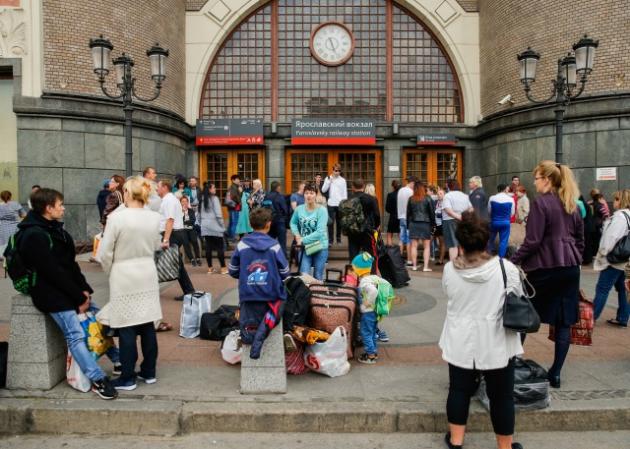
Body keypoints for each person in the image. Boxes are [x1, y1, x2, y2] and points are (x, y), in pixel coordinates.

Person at [19, 188, 119, 399]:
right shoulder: (33, 235)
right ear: (48, 208)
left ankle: (119, 361)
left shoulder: (56, 230)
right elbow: (51, 272)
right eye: (60, 205)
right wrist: (78, 297)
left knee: (99, 323)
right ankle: (98, 379)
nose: (63, 208)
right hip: (50, 294)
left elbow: (70, 266)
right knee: (75, 334)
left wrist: (85, 291)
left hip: (69, 290)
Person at [440, 211, 524, 449]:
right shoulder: (506, 268)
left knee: (459, 390)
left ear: (461, 242)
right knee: (502, 396)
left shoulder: (450, 270)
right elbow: (516, 296)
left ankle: (456, 441)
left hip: (460, 338)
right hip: (497, 339)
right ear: (487, 240)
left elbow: (448, 292)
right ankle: (505, 446)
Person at [511, 161, 584, 389]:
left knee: (524, 314)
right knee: (563, 322)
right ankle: (556, 373)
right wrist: (574, 257)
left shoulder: (541, 203)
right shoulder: (571, 203)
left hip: (544, 267)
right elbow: (580, 240)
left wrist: (513, 260)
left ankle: (513, 363)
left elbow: (533, 241)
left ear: (548, 179)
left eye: (537, 178)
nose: (534, 182)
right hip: (569, 268)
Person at [96, 177, 162, 391]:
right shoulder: (154, 217)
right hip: (147, 272)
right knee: (147, 323)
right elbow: (156, 245)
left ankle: (127, 376)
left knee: (126, 327)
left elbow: (105, 253)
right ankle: (149, 371)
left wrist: (110, 270)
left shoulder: (117, 218)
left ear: (128, 192)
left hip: (123, 273)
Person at [228, 208, 290, 358]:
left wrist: (245, 275)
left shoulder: (242, 244)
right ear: (268, 224)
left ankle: (252, 339)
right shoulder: (274, 246)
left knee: (248, 327)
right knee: (284, 300)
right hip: (271, 296)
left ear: (250, 224)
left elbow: (232, 270)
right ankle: (265, 334)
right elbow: (285, 272)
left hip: (247, 296)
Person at [592, 189, 630, 327]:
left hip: (614, 260)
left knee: (602, 288)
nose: (613, 202)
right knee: (623, 289)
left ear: (621, 201)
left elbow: (611, 237)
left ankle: (592, 317)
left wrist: (603, 253)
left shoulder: (620, 217)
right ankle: (623, 318)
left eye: (616, 199)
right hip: (625, 260)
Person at [157, 179, 196, 301]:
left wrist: (166, 239)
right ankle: (189, 290)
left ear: (165, 187)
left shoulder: (169, 200)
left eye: (158, 186)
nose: (157, 189)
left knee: (175, 263)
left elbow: (170, 220)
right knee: (176, 263)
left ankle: (189, 291)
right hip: (174, 233)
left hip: (172, 234)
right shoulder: (169, 199)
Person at [352, 252, 392, 364]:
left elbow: (373, 291)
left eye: (354, 268)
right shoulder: (373, 277)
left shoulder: (364, 281)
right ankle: (373, 352)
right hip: (375, 311)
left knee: (365, 333)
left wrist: (365, 305)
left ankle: (370, 356)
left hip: (368, 312)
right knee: (372, 332)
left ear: (359, 269)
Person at [290, 183, 329, 280]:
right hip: (305, 247)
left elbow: (320, 232)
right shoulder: (299, 209)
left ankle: (317, 290)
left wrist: (302, 240)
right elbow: (293, 223)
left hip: (320, 246)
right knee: (304, 275)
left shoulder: (322, 210)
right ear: (303, 195)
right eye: (306, 193)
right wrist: (297, 235)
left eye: (311, 193)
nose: (309, 196)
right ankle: (305, 290)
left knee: (318, 276)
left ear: (316, 195)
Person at [347, 178, 381, 262]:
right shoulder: (371, 199)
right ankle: (370, 269)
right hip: (367, 230)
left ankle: (354, 269)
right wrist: (376, 226)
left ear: (353, 187)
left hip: (353, 230)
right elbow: (377, 214)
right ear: (364, 186)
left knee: (353, 254)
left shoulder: (349, 199)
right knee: (369, 254)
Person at [199, 182, 228, 275]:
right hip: (215, 225)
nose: (215, 189)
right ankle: (223, 268)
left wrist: (201, 224)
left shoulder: (202, 199)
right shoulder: (214, 199)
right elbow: (218, 215)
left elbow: (198, 214)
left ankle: (210, 268)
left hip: (205, 226)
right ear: (209, 189)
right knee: (220, 247)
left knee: (208, 247)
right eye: (214, 188)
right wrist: (222, 226)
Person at [407, 181, 435, 272]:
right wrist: (433, 225)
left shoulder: (411, 198)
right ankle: (425, 267)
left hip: (413, 223)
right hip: (425, 223)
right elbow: (432, 213)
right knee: (427, 246)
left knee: (414, 246)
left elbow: (408, 213)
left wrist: (408, 225)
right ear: (423, 188)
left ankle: (414, 266)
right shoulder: (428, 198)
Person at [442, 180, 473, 262]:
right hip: (463, 220)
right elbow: (471, 209)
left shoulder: (448, 196)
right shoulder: (465, 196)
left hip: (450, 221)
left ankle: (453, 265)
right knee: (462, 243)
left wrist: (458, 216)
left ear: (449, 187)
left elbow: (448, 210)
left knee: (453, 244)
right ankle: (464, 263)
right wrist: (464, 217)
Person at [322, 164, 347, 245]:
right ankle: (330, 240)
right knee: (330, 223)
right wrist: (329, 181)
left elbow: (344, 193)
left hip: (340, 204)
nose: (337, 172)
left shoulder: (343, 180)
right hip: (331, 203)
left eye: (339, 171)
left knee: (339, 223)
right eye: (336, 170)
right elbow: (323, 190)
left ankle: (338, 239)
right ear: (333, 170)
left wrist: (344, 204)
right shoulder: (328, 178)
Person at [488, 184, 515, 257]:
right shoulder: (511, 199)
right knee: (503, 241)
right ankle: (501, 259)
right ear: (505, 189)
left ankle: (488, 256)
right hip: (505, 222)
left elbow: (489, 211)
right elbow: (512, 213)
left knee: (490, 239)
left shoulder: (492, 198)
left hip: (494, 222)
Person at [266, 181, 290, 256]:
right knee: (282, 242)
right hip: (279, 221)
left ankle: (269, 255)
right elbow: (285, 209)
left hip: (269, 221)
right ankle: (282, 257)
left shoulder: (266, 196)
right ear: (278, 188)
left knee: (269, 240)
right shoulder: (279, 197)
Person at [0, 190, 26, 255]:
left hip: (3, 229)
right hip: (15, 228)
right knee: (15, 245)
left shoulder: (0, 206)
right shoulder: (15, 204)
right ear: (10, 196)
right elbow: (24, 214)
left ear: (1, 198)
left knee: (4, 247)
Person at [397, 176, 415, 265]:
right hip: (408, 218)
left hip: (401, 217)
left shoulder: (400, 190)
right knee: (409, 240)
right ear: (412, 183)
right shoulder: (411, 192)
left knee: (401, 239)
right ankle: (409, 260)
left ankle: (399, 259)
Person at [180, 196, 201, 266]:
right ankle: (191, 259)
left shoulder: (191, 211)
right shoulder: (179, 211)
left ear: (188, 202)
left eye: (186, 201)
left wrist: (186, 221)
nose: (184, 203)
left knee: (194, 241)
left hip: (191, 229)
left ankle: (197, 258)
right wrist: (183, 213)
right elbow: (180, 221)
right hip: (183, 230)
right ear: (180, 203)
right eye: (183, 201)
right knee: (185, 243)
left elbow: (193, 220)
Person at [225, 174, 242, 240]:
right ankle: (232, 237)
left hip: (231, 207)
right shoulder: (234, 187)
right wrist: (240, 192)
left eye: (239, 179)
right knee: (234, 222)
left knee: (231, 222)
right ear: (233, 180)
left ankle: (229, 235)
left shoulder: (233, 187)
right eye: (237, 179)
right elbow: (235, 197)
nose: (239, 180)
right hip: (234, 207)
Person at [385, 180, 401, 246]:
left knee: (389, 232)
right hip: (401, 216)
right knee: (400, 232)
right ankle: (402, 248)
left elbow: (387, 208)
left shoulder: (390, 195)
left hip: (393, 216)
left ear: (393, 186)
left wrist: (392, 211)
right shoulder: (402, 195)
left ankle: (389, 247)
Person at [434, 187, 447, 265]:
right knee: (440, 242)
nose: (439, 195)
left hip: (443, 224)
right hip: (437, 224)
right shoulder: (437, 202)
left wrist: (438, 215)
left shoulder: (445, 202)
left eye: (441, 194)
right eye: (438, 194)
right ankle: (441, 258)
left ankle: (441, 260)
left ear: (444, 195)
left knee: (442, 242)